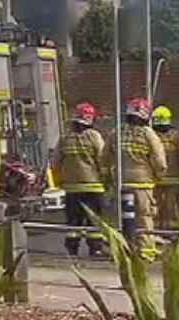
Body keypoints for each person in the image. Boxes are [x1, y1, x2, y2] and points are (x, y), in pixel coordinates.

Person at [101, 97, 167, 261]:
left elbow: (105, 157)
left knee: (120, 218)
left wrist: (107, 178)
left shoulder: (116, 132)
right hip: (143, 184)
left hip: (121, 183)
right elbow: (159, 160)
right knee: (144, 218)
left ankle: (121, 251)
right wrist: (159, 176)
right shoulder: (148, 134)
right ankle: (146, 251)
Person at [52, 102, 107, 258]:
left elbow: (55, 163)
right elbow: (103, 159)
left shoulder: (64, 138)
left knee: (73, 221)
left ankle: (72, 249)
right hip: (93, 186)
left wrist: (61, 179)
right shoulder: (94, 136)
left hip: (71, 189)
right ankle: (95, 249)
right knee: (94, 220)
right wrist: (107, 178)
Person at [151, 105, 179, 231]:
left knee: (171, 206)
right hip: (156, 178)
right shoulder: (152, 135)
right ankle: (156, 229)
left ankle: (173, 231)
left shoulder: (175, 136)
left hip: (172, 178)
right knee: (156, 206)